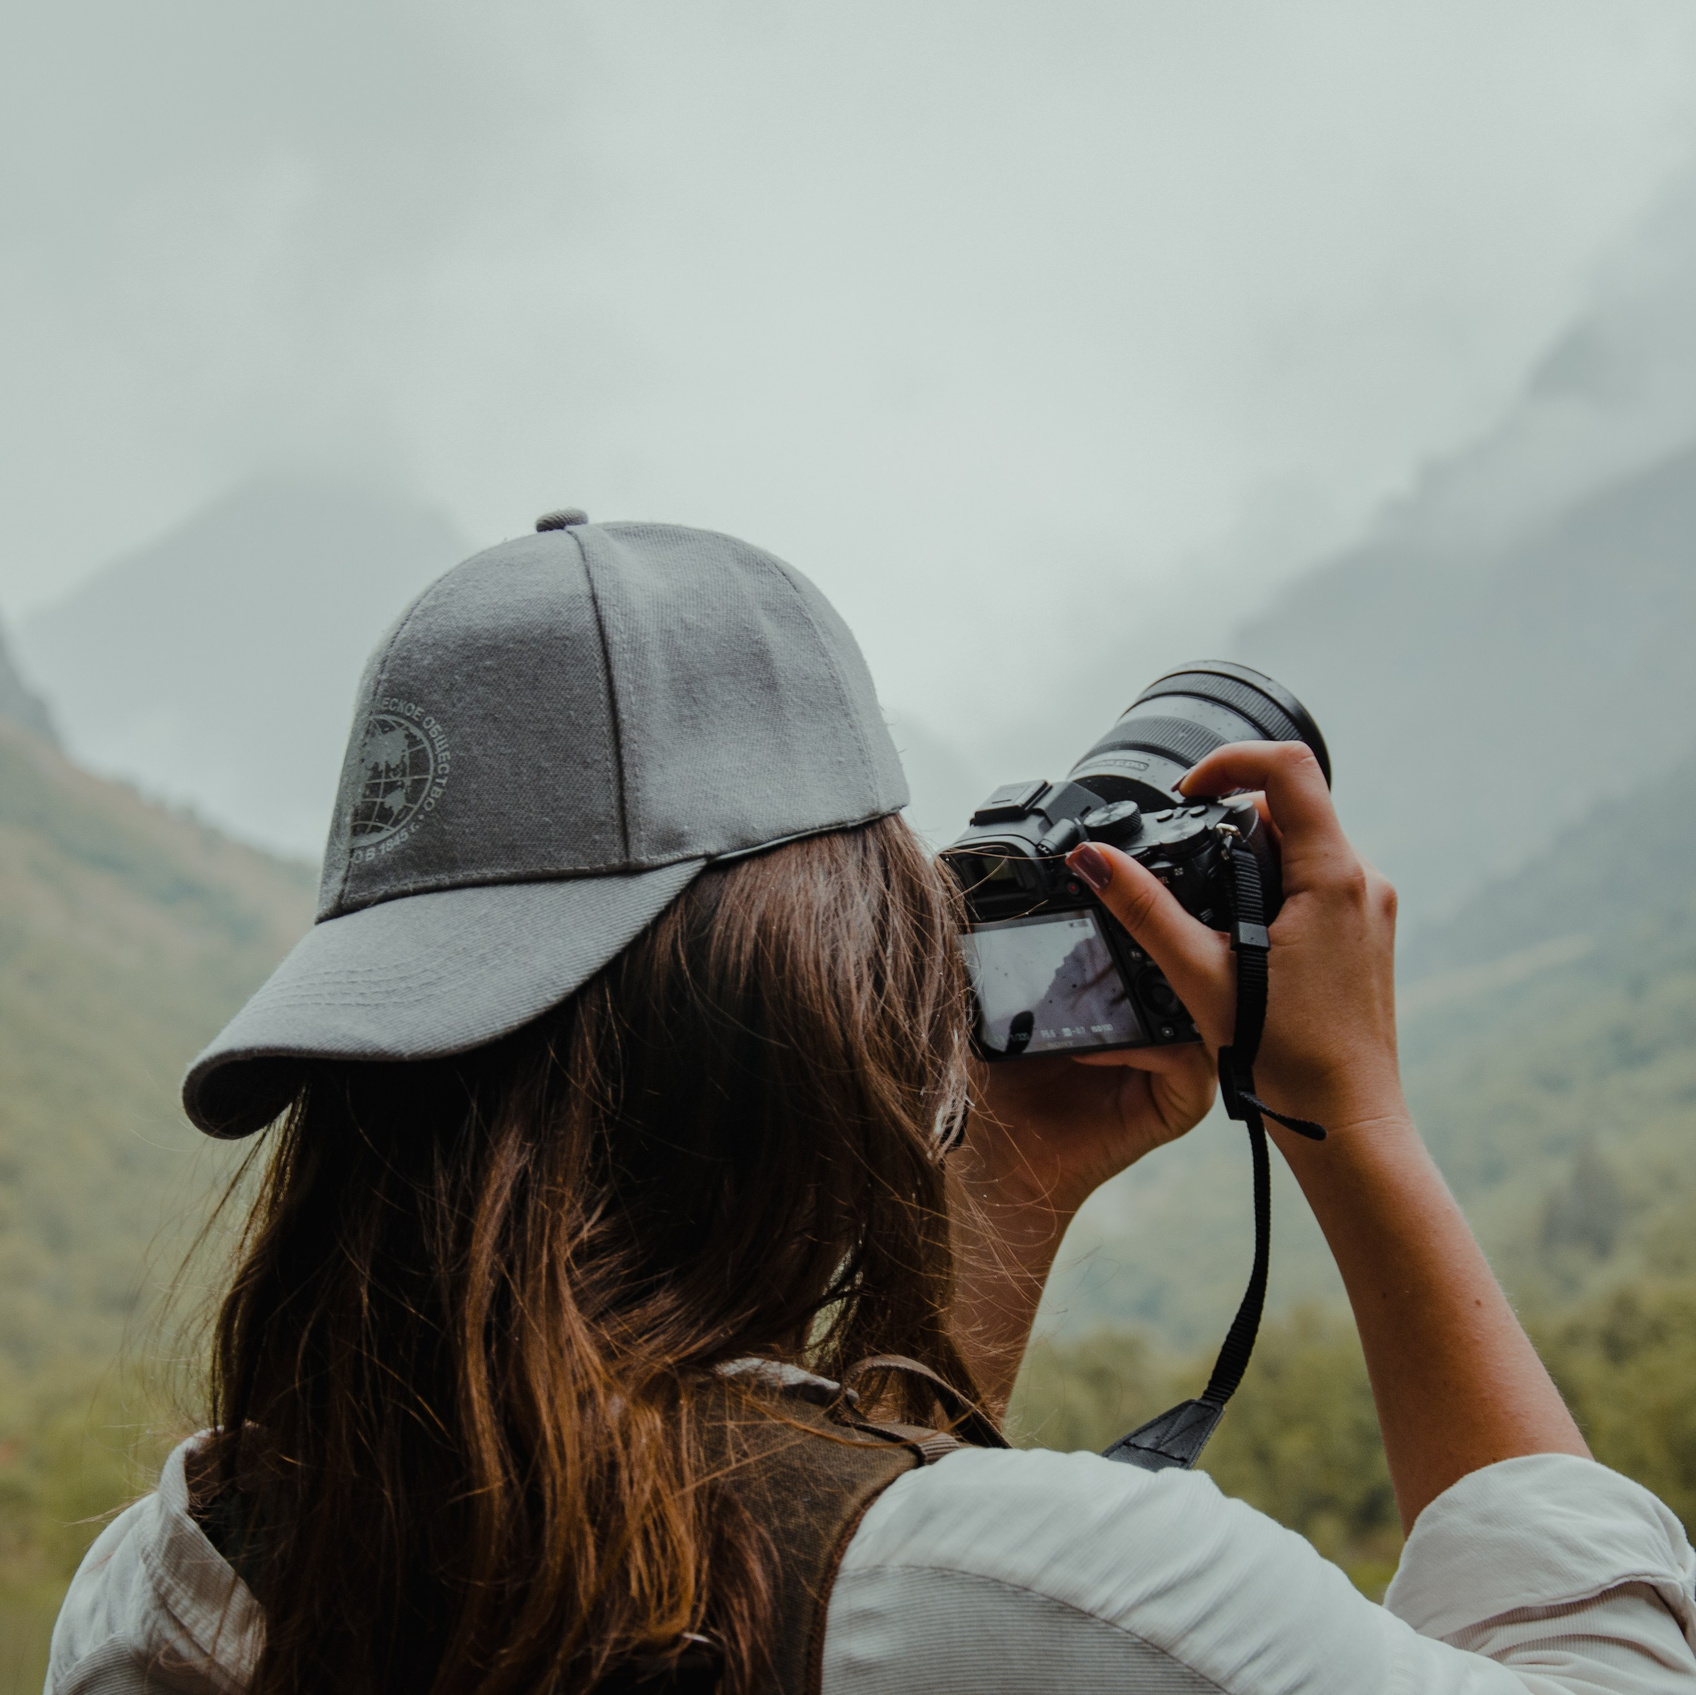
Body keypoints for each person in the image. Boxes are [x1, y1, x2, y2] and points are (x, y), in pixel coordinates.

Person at [47, 514, 1696, 1695]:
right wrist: (1359, 1123)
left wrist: (1014, 1195)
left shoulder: (172, 1596)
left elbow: (792, 1551)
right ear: (827, 997)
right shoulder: (1092, 1606)